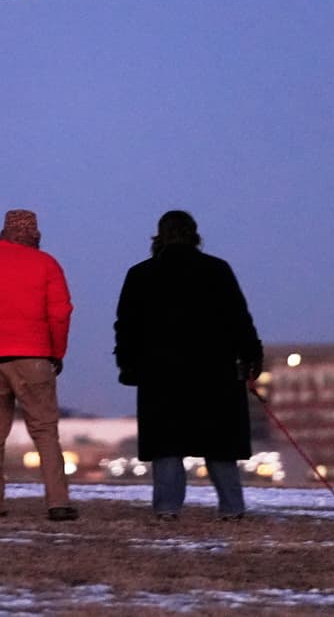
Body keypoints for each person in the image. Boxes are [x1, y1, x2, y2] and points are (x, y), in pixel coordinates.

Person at [113, 210, 263, 521]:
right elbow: (239, 319)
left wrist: (128, 366)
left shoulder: (141, 274)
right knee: (220, 443)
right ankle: (232, 508)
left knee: (166, 444)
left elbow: (126, 327)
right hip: (215, 371)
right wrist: (251, 357)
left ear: (160, 235)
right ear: (194, 234)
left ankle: (167, 508)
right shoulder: (217, 270)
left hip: (160, 374)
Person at [0, 209, 78, 521]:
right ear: (34, 233)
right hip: (35, 357)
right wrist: (55, 353)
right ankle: (58, 501)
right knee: (46, 432)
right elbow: (60, 313)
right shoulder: (47, 265)